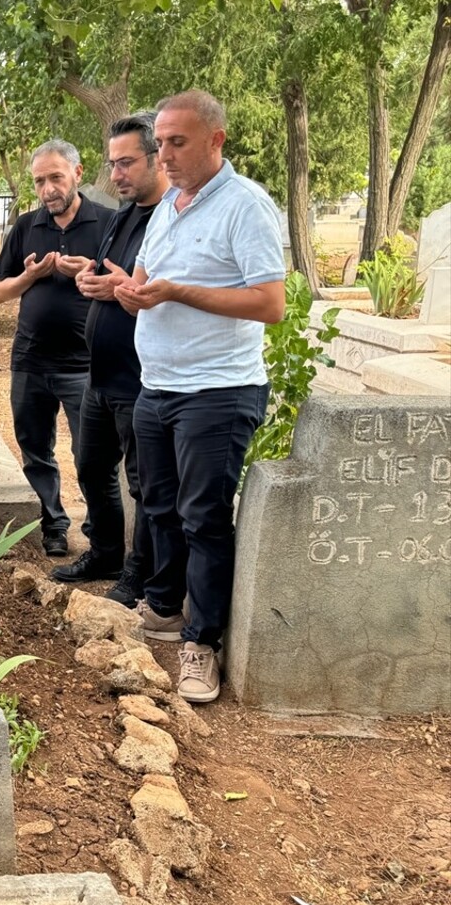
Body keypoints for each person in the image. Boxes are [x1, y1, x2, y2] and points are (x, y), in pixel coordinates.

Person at [113, 90, 285, 704]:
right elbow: (148, 281)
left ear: (216, 140)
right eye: (160, 143)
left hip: (217, 389)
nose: (164, 154)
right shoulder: (171, 207)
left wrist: (177, 293)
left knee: (203, 517)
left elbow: (270, 304)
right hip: (157, 385)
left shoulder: (245, 207)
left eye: (177, 142)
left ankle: (200, 644)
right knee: (156, 503)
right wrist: (119, 290)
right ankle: (162, 609)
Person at [52, 112, 168, 607]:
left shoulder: (170, 219)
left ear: (158, 157)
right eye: (112, 163)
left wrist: (123, 287)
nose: (116, 174)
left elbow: (156, 291)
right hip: (99, 375)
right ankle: (105, 552)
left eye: (126, 163)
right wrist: (89, 276)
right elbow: (115, 278)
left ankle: (138, 574)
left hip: (139, 378)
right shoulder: (124, 214)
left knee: (144, 484)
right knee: (91, 465)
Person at [0, 140, 112, 556]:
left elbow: (129, 280)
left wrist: (92, 271)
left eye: (55, 177)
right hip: (30, 360)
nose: (48, 189)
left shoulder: (108, 223)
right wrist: (31, 276)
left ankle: (100, 531)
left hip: (86, 364)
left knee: (91, 454)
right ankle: (53, 524)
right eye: (40, 181)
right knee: (35, 448)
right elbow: (0, 291)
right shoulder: (27, 226)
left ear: (78, 174)